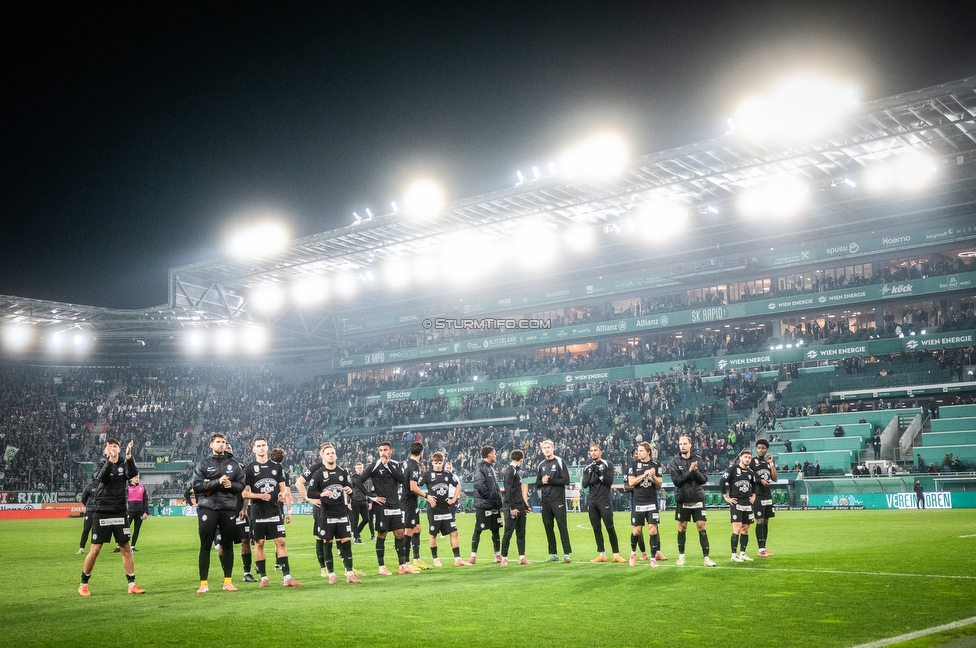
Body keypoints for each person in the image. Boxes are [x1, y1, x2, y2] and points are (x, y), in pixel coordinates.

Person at [79, 439, 145, 596]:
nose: (113, 449)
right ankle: (83, 584)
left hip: (120, 511)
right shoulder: (99, 464)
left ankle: (132, 584)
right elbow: (101, 478)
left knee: (126, 548)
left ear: (120, 449)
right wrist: (110, 461)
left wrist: (129, 457)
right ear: (105, 451)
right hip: (102, 510)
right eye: (110, 447)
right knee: (95, 549)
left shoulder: (124, 462)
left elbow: (133, 475)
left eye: (115, 446)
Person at [242, 436, 302, 588]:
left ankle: (287, 577)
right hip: (257, 512)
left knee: (281, 541)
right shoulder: (249, 469)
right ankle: (263, 578)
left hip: (274, 511)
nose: (261, 448)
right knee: (259, 543)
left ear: (267, 448)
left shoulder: (277, 467)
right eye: (258, 446)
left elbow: (282, 488)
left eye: (264, 445)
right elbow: (244, 493)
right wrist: (259, 496)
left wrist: (282, 494)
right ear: (254, 449)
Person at [191, 433, 246, 593]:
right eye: (218, 442)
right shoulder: (203, 464)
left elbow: (241, 486)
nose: (221, 445)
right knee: (205, 546)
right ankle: (203, 583)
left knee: (227, 545)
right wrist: (217, 482)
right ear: (211, 445)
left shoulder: (234, 465)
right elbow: (196, 485)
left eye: (223, 442)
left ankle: (228, 581)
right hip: (208, 508)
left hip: (228, 508)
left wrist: (231, 485)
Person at [306, 443, 362, 584]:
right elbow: (310, 492)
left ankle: (349, 574)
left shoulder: (343, 472)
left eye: (332, 453)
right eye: (328, 453)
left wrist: (349, 490)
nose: (331, 455)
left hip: (342, 512)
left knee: (346, 542)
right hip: (326, 514)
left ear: (336, 455)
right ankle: (331, 574)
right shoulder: (318, 474)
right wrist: (321, 494)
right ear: (323, 457)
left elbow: (351, 488)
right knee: (327, 543)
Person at [360, 441, 413, 575]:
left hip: (395, 506)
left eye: (385, 450)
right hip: (382, 506)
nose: (383, 452)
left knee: (400, 534)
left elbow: (403, 480)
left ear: (391, 451)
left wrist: (388, 465)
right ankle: (381, 567)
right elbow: (358, 481)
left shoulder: (395, 464)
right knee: (382, 534)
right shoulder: (373, 466)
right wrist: (371, 497)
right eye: (381, 450)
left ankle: (402, 566)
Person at [667, 435, 716, 567]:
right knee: (682, 528)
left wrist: (695, 472)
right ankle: (681, 557)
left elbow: (704, 480)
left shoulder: (699, 461)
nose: (682, 446)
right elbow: (677, 481)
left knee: (702, 527)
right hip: (682, 500)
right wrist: (690, 472)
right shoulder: (674, 462)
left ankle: (706, 558)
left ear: (690, 445)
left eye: (684, 444)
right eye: (680, 444)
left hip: (697, 499)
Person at [419, 451, 468, 567]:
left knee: (454, 532)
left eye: (440, 462)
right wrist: (426, 497)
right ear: (432, 463)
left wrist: (453, 499)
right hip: (434, 509)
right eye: (435, 463)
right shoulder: (427, 475)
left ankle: (458, 559)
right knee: (433, 534)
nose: (438, 465)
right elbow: (415, 486)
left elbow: (458, 486)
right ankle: (435, 559)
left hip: (446, 509)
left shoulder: (448, 475)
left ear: (443, 463)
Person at [214, 442, 254, 583]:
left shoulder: (240, 467)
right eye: (225, 446)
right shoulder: (212, 467)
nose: (227, 448)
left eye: (229, 447)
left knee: (245, 540)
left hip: (238, 511)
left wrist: (244, 508)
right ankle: (227, 574)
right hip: (221, 512)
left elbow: (245, 490)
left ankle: (247, 573)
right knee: (223, 544)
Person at [583, 443, 625, 564]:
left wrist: (599, 474)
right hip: (592, 501)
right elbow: (584, 484)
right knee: (596, 528)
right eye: (591, 451)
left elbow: (609, 481)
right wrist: (592, 474)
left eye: (596, 450)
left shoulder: (608, 465)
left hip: (604, 500)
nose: (593, 452)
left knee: (610, 527)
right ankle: (602, 554)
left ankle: (616, 554)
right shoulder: (587, 468)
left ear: (601, 452)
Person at [627, 441, 666, 568]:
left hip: (651, 502)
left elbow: (659, 483)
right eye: (638, 451)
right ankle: (633, 554)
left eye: (641, 451)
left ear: (648, 452)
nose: (639, 453)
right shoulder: (633, 465)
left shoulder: (656, 465)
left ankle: (653, 558)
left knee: (653, 529)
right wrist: (644, 475)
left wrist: (653, 476)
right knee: (637, 531)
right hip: (638, 502)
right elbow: (631, 482)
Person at [536, 439, 573, 562]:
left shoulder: (560, 462)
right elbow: (537, 484)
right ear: (542, 450)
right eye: (544, 448)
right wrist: (542, 481)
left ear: (553, 448)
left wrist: (550, 480)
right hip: (545, 501)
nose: (546, 449)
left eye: (548, 447)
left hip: (558, 500)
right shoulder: (541, 465)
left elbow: (566, 480)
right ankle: (554, 554)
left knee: (562, 526)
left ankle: (566, 553)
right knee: (548, 526)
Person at [721, 449, 757, 562]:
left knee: (745, 530)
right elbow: (722, 481)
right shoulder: (732, 469)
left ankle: (743, 553)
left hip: (748, 503)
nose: (747, 459)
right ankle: (733, 555)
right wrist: (726, 496)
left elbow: (754, 484)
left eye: (749, 458)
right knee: (737, 528)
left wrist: (754, 495)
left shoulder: (751, 472)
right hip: (736, 503)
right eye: (745, 457)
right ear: (741, 458)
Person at [295, 449, 327, 574]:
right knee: (321, 537)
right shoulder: (316, 468)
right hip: (320, 507)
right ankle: (323, 568)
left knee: (341, 537)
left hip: (336, 507)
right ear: (321, 454)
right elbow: (299, 483)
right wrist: (310, 499)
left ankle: (348, 568)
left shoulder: (338, 469)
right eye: (326, 451)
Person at [471, 445, 504, 564]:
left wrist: (497, 500)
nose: (496, 456)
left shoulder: (490, 468)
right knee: (478, 529)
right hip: (484, 504)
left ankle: (497, 555)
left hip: (493, 504)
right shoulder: (480, 467)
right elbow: (480, 485)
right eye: (494, 454)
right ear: (489, 454)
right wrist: (491, 497)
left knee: (495, 529)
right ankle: (473, 556)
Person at [401, 442, 431, 569]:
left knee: (417, 528)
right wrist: (426, 496)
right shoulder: (414, 466)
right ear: (421, 452)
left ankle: (416, 560)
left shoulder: (406, 462)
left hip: (411, 502)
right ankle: (406, 563)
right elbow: (413, 487)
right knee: (408, 531)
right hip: (407, 503)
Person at [499, 449, 531, 566]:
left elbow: (517, 492)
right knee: (508, 532)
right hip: (512, 507)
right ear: (521, 460)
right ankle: (504, 558)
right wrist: (512, 507)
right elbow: (507, 491)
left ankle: (522, 557)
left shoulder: (514, 472)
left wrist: (525, 506)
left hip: (520, 507)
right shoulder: (510, 471)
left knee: (521, 533)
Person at [750, 439, 778, 557]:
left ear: (767, 450)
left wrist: (771, 463)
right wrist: (760, 481)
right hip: (757, 494)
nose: (761, 450)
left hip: (767, 494)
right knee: (760, 520)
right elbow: (748, 476)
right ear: (756, 449)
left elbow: (775, 478)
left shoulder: (767, 463)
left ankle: (764, 548)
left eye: (763, 448)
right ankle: (760, 549)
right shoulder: (752, 461)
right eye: (759, 448)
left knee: (766, 521)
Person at [349, 462, 373, 543]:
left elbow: (367, 491)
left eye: (361, 467)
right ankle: (356, 538)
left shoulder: (366, 478)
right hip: (355, 501)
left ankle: (356, 532)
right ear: (355, 469)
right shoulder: (352, 478)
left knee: (367, 519)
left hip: (364, 501)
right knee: (355, 520)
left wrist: (369, 501)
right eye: (358, 468)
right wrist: (349, 502)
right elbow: (349, 490)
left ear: (363, 468)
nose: (359, 469)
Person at [124, 474, 149, 552]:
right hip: (129, 511)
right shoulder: (126, 487)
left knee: (137, 529)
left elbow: (145, 500)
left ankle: (132, 546)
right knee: (125, 528)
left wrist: (145, 512)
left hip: (140, 511)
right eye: (135, 477)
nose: (137, 479)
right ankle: (121, 545)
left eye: (138, 477)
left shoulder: (142, 487)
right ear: (131, 479)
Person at [77, 479, 98, 554]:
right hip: (90, 511)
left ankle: (93, 548)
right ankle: (82, 547)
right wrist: (88, 506)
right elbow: (83, 498)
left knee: (95, 530)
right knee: (86, 529)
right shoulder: (89, 487)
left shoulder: (103, 486)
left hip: (98, 511)